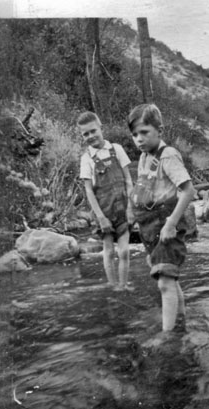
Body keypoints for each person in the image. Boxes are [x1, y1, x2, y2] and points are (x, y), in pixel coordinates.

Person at [127, 104, 195, 332]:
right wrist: (131, 211)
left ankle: (168, 337)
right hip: (150, 228)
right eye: (135, 134)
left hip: (167, 227)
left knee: (165, 283)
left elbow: (188, 191)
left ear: (160, 131)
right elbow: (142, 188)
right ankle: (181, 324)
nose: (139, 139)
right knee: (169, 280)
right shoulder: (145, 156)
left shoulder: (168, 156)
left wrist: (171, 223)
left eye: (144, 132)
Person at [78, 111, 134, 290]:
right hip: (104, 212)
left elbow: (128, 180)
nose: (91, 136)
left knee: (124, 251)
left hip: (123, 208)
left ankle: (123, 286)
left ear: (101, 127)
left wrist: (131, 208)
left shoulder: (116, 149)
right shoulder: (86, 158)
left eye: (93, 131)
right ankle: (113, 286)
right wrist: (100, 217)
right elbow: (88, 189)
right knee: (108, 251)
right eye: (85, 134)